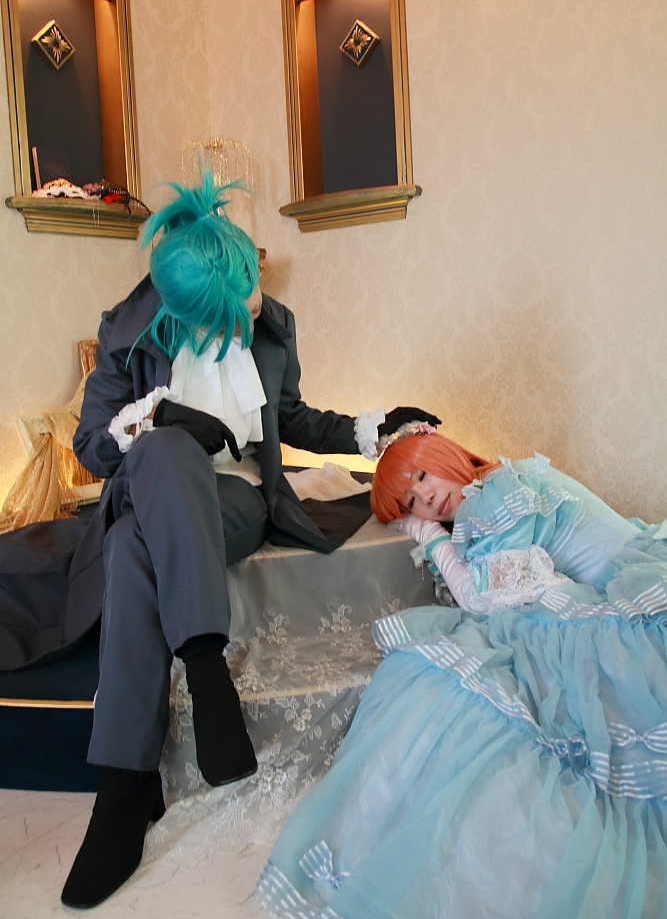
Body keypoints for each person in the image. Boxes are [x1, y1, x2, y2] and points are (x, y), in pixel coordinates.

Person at [61, 174, 440, 910]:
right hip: (152, 485)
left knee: (133, 546)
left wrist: (372, 427)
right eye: (232, 311)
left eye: (251, 294)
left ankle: (123, 788)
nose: (251, 311)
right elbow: (90, 449)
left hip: (231, 499)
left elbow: (290, 419)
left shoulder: (271, 319)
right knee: (161, 457)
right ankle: (207, 676)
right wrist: (156, 418)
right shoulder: (124, 332)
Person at [257, 426, 667, 919]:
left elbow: (480, 596)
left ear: (442, 450)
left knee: (447, 681)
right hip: (628, 587)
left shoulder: (492, 495)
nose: (427, 498)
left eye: (422, 476)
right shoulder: (504, 480)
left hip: (632, 614)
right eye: (413, 502)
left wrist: (429, 536)